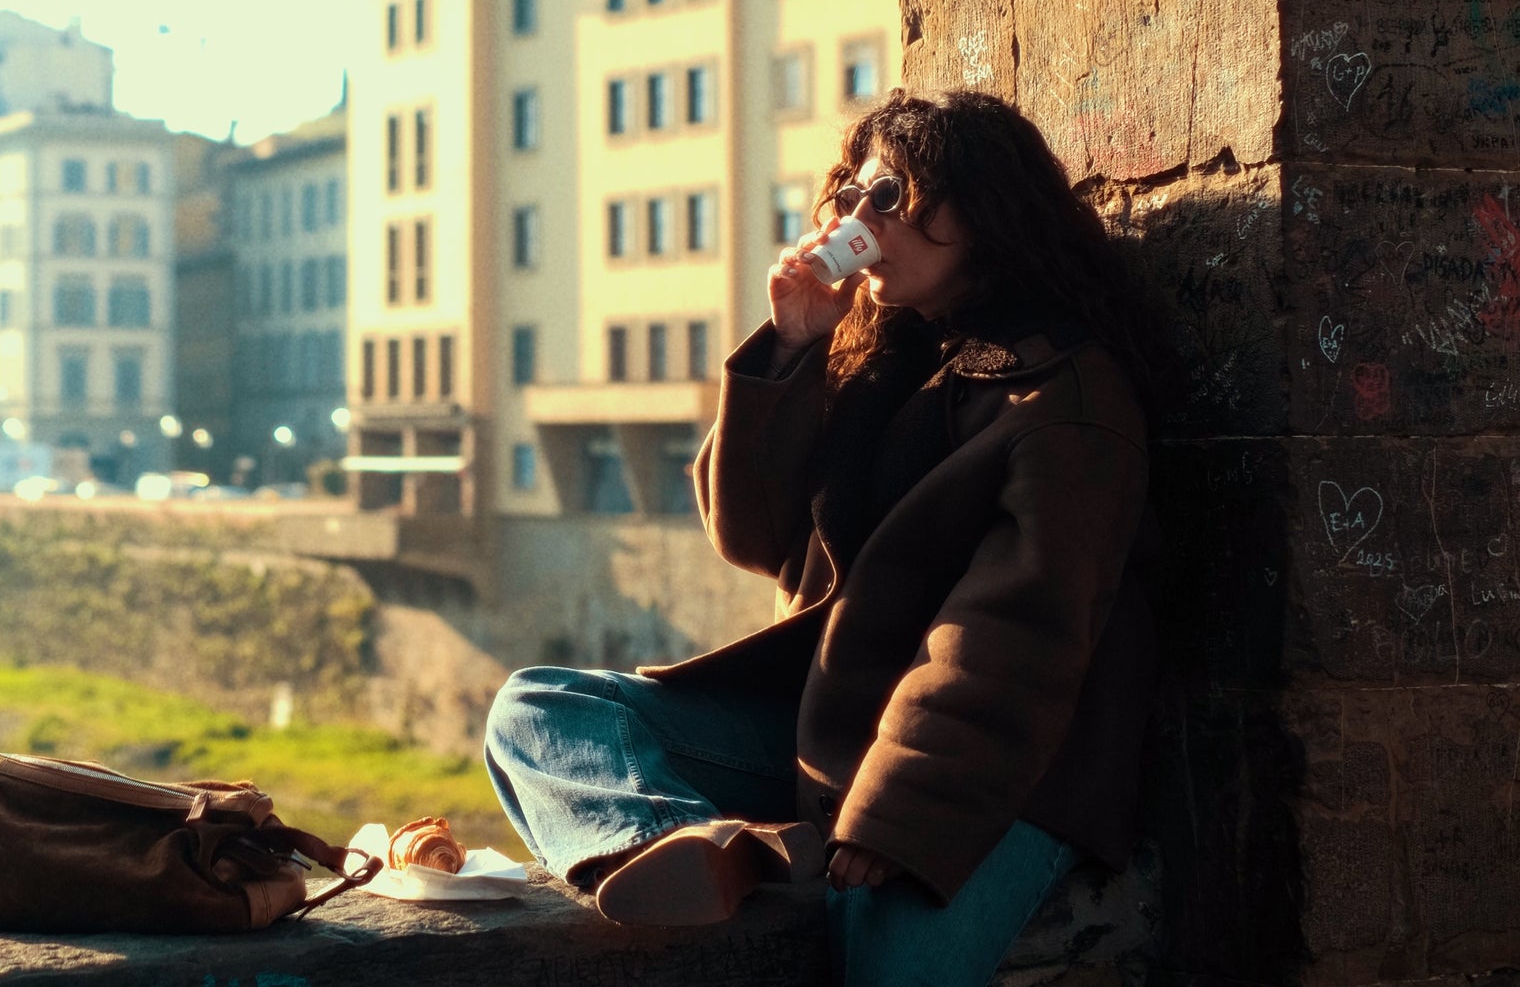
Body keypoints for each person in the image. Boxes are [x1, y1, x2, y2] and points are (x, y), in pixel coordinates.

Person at [484, 90, 1170, 986]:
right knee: (541, 709)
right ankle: (694, 850)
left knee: (882, 964)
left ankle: (760, 856)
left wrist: (897, 819)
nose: (857, 218)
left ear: (985, 207)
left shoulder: (1064, 402)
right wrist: (791, 346)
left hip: (990, 776)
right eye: (849, 193)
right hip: (831, 732)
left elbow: (1013, 642)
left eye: (889, 196)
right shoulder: (889, 361)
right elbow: (753, 536)